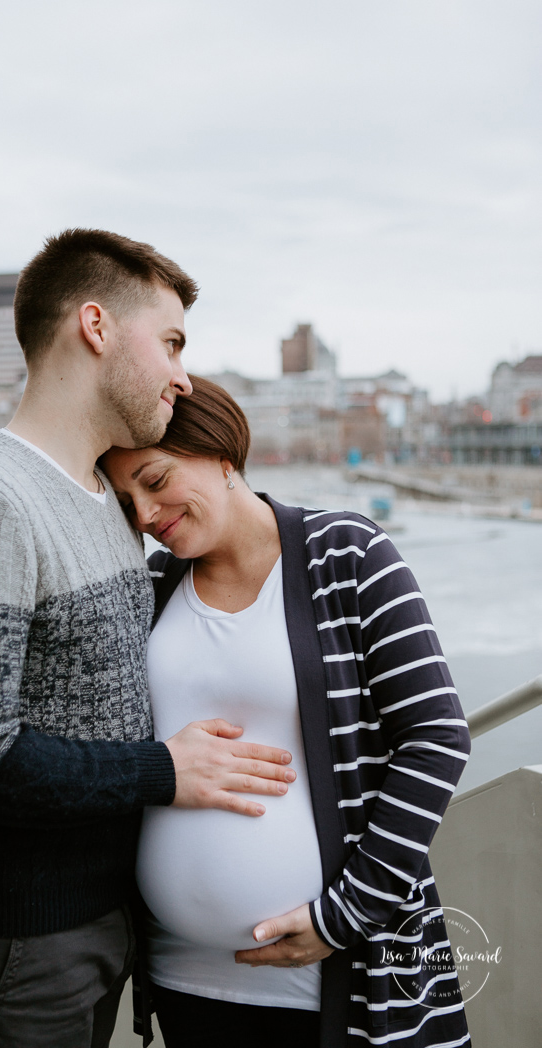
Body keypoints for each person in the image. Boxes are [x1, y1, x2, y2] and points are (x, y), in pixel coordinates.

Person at [0, 232, 296, 1048]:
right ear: (96, 327)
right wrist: (164, 770)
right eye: (172, 342)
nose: (183, 375)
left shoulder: (102, 502)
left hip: (91, 925)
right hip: (11, 936)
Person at [101, 375, 472, 1048]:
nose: (145, 514)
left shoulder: (349, 554)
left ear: (219, 452)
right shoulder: (152, 588)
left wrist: (343, 916)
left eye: (154, 481)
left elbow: (435, 737)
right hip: (185, 980)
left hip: (340, 971)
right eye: (127, 501)